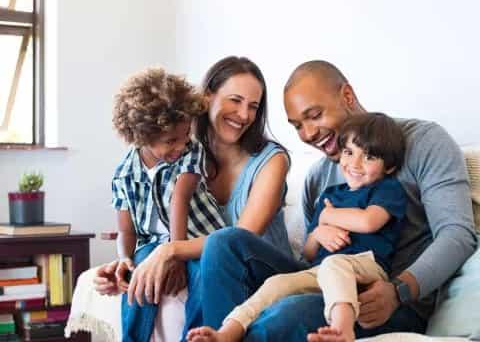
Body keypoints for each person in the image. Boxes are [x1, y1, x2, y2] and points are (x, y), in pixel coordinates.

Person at [192, 60, 477, 341]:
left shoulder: (424, 142)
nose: (308, 134)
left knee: (286, 315)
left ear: (347, 96)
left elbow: (458, 234)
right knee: (224, 242)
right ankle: (222, 334)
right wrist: (318, 233)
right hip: (326, 282)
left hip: (387, 300)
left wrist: (400, 290)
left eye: (314, 115)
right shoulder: (318, 178)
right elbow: (310, 259)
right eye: (297, 126)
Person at [92, 56, 292, 341]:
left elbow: (238, 240)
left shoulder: (271, 161)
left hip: (260, 268)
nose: (245, 115)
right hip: (208, 257)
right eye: (235, 100)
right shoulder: (183, 149)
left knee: (213, 256)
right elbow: (145, 221)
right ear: (206, 97)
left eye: (253, 106)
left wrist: (171, 250)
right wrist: (128, 262)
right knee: (147, 266)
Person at [187, 112, 407, 342]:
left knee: (335, 263)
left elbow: (368, 222)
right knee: (277, 283)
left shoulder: (386, 189)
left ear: (389, 166)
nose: (355, 164)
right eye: (349, 152)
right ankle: (227, 332)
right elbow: (309, 252)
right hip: (320, 271)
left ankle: (343, 329)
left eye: (369, 157)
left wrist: (328, 216)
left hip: (367, 269)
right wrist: (320, 230)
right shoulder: (330, 195)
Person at [109, 67, 227, 341]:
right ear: (141, 136)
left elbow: (179, 199)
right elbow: (126, 231)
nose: (181, 144)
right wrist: (124, 258)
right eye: (170, 140)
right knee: (139, 277)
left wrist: (175, 254)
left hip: (199, 240)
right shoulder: (124, 174)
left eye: (185, 134)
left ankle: (196, 337)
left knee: (202, 279)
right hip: (152, 244)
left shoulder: (191, 151)